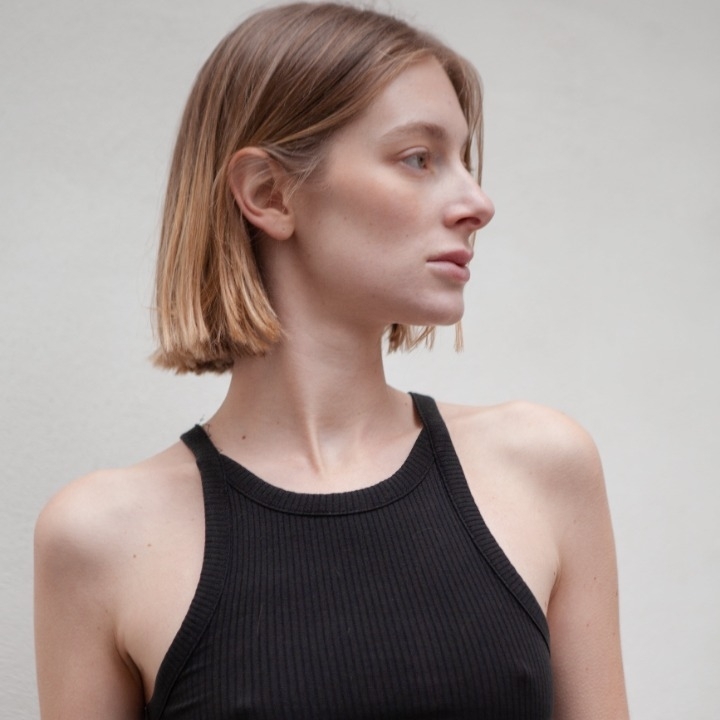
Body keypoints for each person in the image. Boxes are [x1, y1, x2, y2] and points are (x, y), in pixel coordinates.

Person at [34, 3, 629, 718]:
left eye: (464, 161)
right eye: (419, 158)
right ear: (269, 194)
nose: (478, 203)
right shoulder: (101, 537)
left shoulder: (541, 468)